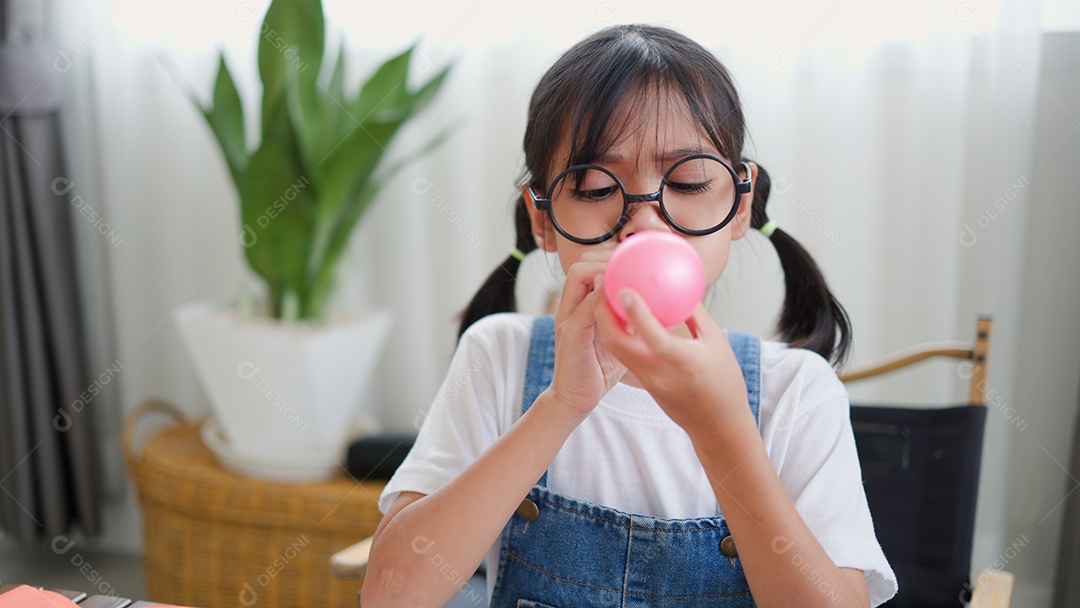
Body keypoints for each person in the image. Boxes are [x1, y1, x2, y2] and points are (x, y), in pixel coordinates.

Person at [361, 24, 897, 608]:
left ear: (740, 206)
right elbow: (390, 596)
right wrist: (561, 407)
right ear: (542, 220)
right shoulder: (500, 358)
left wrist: (722, 430)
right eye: (594, 189)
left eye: (688, 181)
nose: (644, 223)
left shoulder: (798, 392)